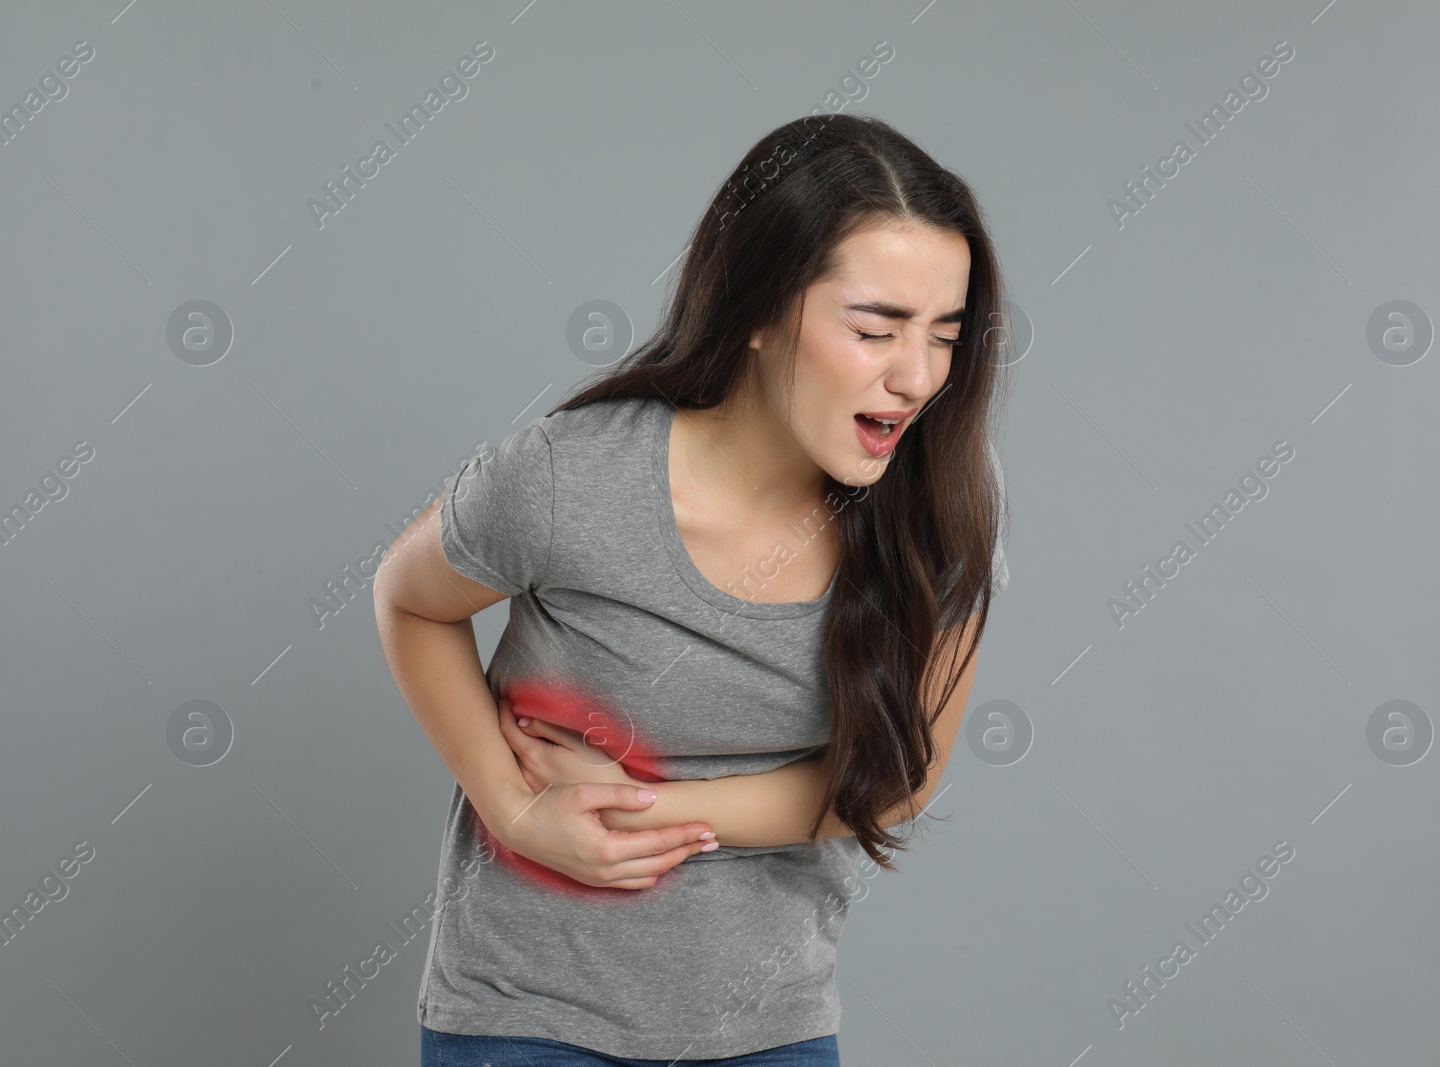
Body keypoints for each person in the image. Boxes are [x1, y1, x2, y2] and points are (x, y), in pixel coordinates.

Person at [374, 111, 1012, 1067]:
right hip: (526, 1018)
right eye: (875, 328)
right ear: (759, 311)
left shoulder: (945, 504)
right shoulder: (569, 479)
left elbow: (899, 778)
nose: (917, 376)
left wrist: (654, 809)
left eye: (943, 334)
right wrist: (512, 809)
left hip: (769, 1029)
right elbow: (409, 596)